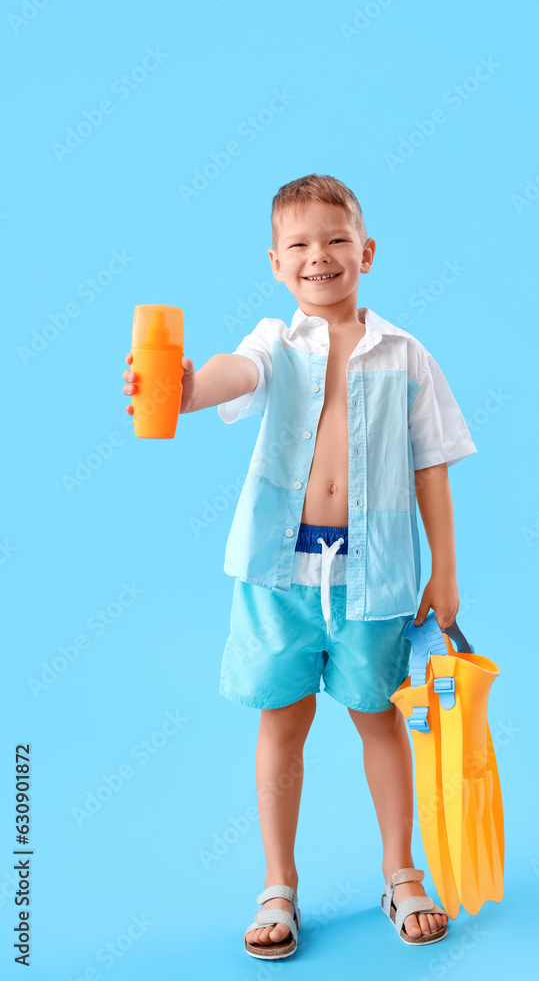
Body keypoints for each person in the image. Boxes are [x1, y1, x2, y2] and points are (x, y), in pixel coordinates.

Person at [122, 174, 477, 955]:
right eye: (300, 245)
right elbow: (232, 373)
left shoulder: (405, 355)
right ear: (276, 264)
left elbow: (433, 464)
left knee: (379, 720)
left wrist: (442, 571)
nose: (319, 256)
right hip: (277, 580)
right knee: (281, 725)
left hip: (374, 579)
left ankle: (400, 872)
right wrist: (180, 390)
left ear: (367, 251)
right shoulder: (273, 345)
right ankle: (276, 887)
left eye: (336, 239)